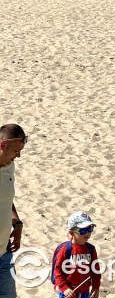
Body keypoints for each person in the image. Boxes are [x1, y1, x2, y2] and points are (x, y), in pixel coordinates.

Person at [0, 124, 26, 298]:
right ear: (2, 145)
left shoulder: (9, 167)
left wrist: (16, 223)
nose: (19, 155)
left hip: (4, 254)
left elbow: (7, 200)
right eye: (16, 150)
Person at [52, 211, 100, 298]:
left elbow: (96, 271)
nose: (87, 233)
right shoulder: (66, 249)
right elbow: (57, 271)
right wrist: (64, 288)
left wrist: (95, 287)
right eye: (82, 230)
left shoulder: (91, 249)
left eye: (89, 229)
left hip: (85, 292)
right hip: (68, 293)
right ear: (71, 233)